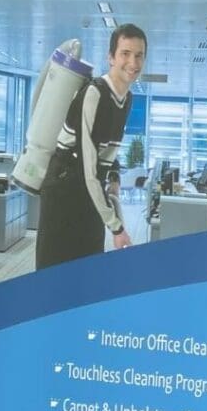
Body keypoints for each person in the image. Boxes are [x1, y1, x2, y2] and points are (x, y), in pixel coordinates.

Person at [36, 24, 147, 269]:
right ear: (111, 58)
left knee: (86, 273)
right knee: (53, 277)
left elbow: (109, 148)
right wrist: (117, 227)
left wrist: (115, 175)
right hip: (64, 190)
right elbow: (89, 168)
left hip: (88, 191)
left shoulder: (127, 99)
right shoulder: (95, 94)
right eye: (125, 53)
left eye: (139, 55)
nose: (133, 62)